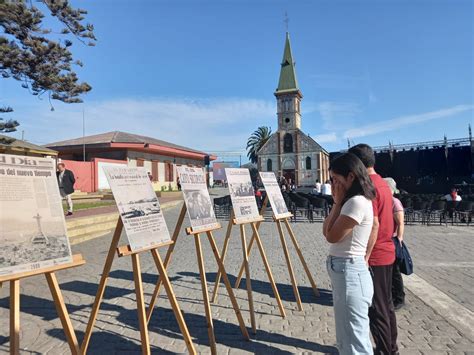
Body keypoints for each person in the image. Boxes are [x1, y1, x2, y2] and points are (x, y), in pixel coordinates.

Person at [323, 152, 376, 354]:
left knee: (355, 340)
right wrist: (337, 203)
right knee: (346, 336)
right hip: (345, 271)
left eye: (336, 179)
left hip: (350, 271)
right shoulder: (350, 202)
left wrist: (336, 203)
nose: (333, 185)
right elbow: (326, 230)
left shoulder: (356, 203)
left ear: (351, 177)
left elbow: (332, 236)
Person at [349, 144, 398, 355]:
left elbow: (374, 225)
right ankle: (391, 347)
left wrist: (365, 257)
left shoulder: (368, 187)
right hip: (387, 252)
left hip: (375, 255)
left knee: (376, 310)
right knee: (385, 306)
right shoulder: (384, 184)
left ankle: (386, 350)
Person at [384, 178, 406, 310]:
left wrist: (399, 239)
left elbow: (400, 223)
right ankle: (390, 295)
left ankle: (399, 298)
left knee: (395, 271)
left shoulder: (394, 202)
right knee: (388, 271)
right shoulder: (386, 201)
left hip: (393, 240)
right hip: (385, 239)